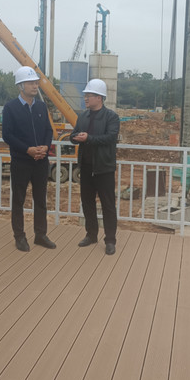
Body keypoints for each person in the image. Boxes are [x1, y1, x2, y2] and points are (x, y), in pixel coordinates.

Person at [2, 66, 56, 252]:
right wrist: (27, 150)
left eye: (36, 83)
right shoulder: (11, 108)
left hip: (41, 161)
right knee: (18, 200)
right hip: (21, 161)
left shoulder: (41, 106)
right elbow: (7, 135)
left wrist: (45, 147)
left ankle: (41, 235)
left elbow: (48, 130)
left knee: (40, 199)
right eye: (31, 83)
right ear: (20, 86)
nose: (35, 86)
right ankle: (19, 236)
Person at [70, 79, 120, 255]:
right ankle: (91, 235)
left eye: (88, 95)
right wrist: (74, 137)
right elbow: (74, 134)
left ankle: (110, 240)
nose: (85, 98)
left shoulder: (111, 117)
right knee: (87, 202)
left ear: (99, 97)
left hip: (104, 168)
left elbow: (110, 138)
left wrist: (88, 138)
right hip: (86, 167)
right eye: (85, 95)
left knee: (108, 205)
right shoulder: (83, 116)